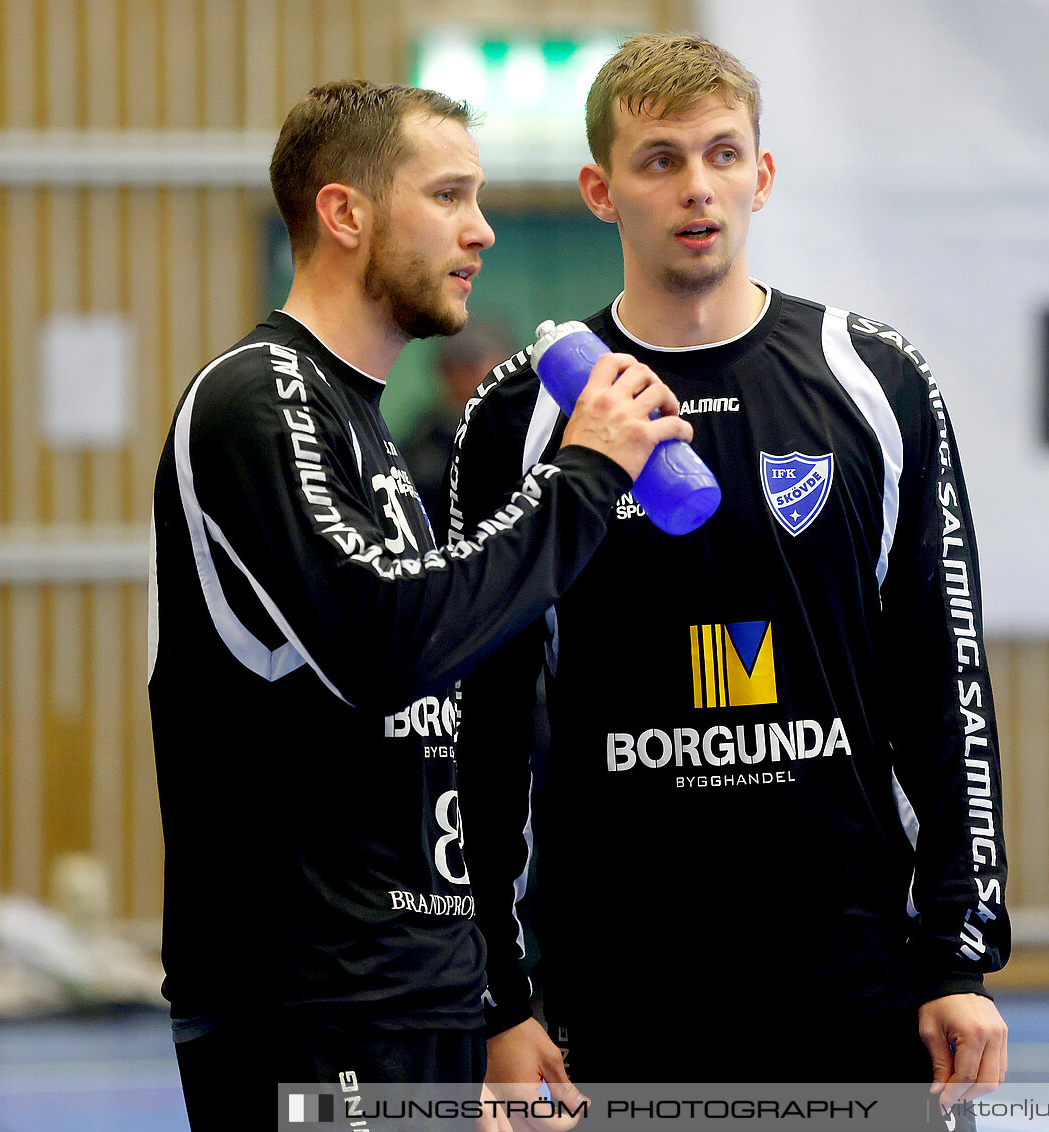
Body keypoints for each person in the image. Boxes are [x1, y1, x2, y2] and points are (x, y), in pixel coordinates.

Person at [451, 32, 1009, 1112]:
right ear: (600, 190)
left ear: (761, 175)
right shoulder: (521, 417)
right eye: (658, 159)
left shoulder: (875, 382)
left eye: (719, 154)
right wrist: (497, 997)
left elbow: (945, 685)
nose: (694, 187)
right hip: (615, 990)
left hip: (854, 981)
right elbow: (481, 724)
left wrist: (956, 956)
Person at [147, 79, 689, 1129]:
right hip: (310, 1003)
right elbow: (383, 640)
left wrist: (489, 997)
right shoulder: (256, 398)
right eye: (448, 196)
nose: (480, 230)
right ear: (345, 213)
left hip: (413, 992)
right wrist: (581, 481)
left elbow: (445, 703)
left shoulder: (373, 432)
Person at [402, 320, 514, 535]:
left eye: (472, 365)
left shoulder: (524, 433)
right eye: (453, 367)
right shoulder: (420, 444)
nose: (462, 377)